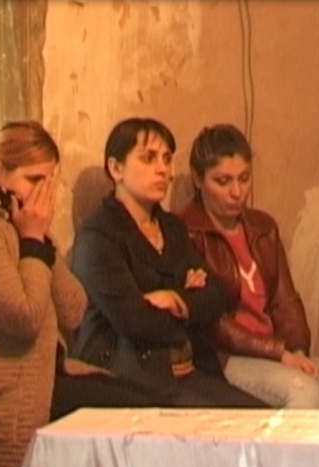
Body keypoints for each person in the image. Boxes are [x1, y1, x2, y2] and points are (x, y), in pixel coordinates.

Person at [0, 120, 164, 467]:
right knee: (129, 422)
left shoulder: (15, 222)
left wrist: (39, 241)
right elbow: (25, 317)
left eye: (50, 181)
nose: (43, 195)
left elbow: (73, 309)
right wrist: (32, 241)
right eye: (34, 180)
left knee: (146, 407)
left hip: (36, 383)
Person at [71, 117, 267, 408]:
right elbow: (135, 321)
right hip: (130, 377)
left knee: (261, 418)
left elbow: (217, 295)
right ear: (116, 168)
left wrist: (175, 299)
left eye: (166, 159)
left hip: (189, 369)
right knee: (223, 425)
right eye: (148, 158)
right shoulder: (99, 236)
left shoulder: (172, 227)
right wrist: (187, 300)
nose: (163, 170)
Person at [177, 124, 319, 409]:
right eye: (223, 181)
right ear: (198, 179)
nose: (237, 192)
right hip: (226, 356)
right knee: (304, 392)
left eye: (244, 178)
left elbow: (285, 301)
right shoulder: (186, 231)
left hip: (276, 348)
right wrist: (279, 353)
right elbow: (213, 323)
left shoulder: (262, 227)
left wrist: (297, 349)